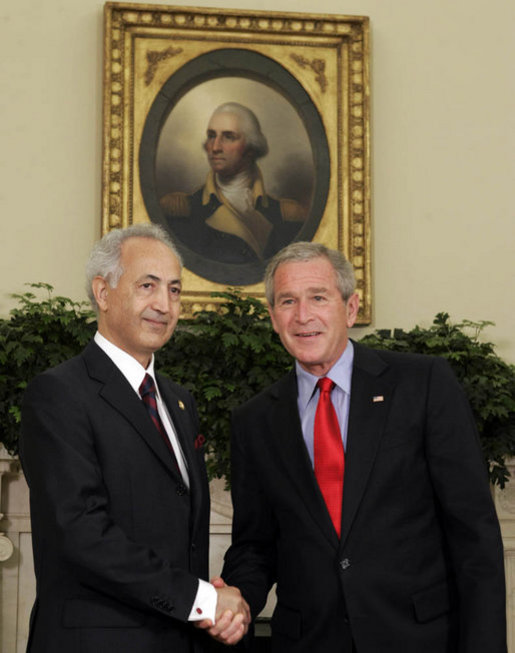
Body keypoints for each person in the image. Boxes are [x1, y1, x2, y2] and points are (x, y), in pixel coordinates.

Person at [221, 241, 507, 652]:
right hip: (309, 641)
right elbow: (255, 545)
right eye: (287, 301)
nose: (303, 316)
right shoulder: (254, 421)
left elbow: (474, 534)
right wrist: (238, 600)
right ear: (272, 316)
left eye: (318, 297)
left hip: (420, 640)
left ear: (350, 308)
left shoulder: (423, 385)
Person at [20, 224, 249, 652]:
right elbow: (82, 533)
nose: (164, 305)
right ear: (103, 293)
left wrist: (212, 604)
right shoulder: (58, 394)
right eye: (148, 285)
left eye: (175, 290)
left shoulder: (179, 403)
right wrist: (202, 601)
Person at [160, 102, 305, 265]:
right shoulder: (180, 211)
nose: (215, 147)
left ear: (251, 147)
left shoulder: (287, 215)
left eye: (229, 137)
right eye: (211, 136)